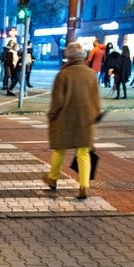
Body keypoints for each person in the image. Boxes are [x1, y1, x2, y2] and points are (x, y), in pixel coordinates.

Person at [42, 42, 102, 200]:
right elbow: (96, 100)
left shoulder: (63, 74)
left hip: (64, 118)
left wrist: (51, 115)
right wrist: (95, 114)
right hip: (85, 119)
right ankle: (83, 186)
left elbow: (57, 100)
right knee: (84, 152)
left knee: (59, 149)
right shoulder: (91, 74)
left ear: (68, 56)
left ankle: (53, 179)